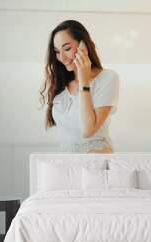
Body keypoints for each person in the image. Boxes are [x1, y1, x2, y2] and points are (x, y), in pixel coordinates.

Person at [40, 20, 120, 153]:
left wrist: (84, 80)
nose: (62, 58)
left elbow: (88, 130)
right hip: (67, 164)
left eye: (66, 49)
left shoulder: (108, 78)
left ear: (84, 45)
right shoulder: (61, 83)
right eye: (57, 51)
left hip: (96, 162)